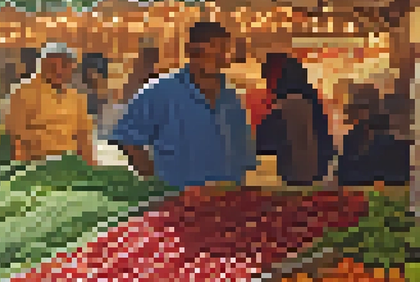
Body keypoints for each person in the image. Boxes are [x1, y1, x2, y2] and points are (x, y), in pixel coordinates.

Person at [109, 22, 257, 189]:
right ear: (190, 51)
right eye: (206, 51)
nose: (216, 56)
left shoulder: (231, 98)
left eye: (222, 50)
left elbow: (243, 153)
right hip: (177, 200)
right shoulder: (160, 91)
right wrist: (155, 183)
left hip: (227, 198)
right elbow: (128, 140)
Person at [6, 43, 95, 165]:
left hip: (70, 164)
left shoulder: (77, 98)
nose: (58, 71)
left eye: (64, 66)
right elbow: (16, 138)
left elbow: (84, 138)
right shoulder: (22, 91)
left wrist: (91, 167)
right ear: (41, 65)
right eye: (52, 65)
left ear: (72, 68)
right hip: (36, 165)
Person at [255, 57, 335, 186]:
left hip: (293, 176)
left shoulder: (285, 104)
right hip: (317, 175)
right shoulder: (313, 102)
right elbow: (325, 139)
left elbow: (265, 140)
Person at [338, 85, 409, 187]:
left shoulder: (393, 143)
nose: (359, 113)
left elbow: (395, 178)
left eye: (363, 107)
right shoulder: (351, 139)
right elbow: (343, 175)